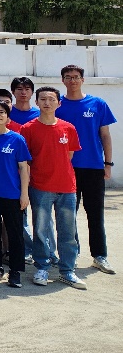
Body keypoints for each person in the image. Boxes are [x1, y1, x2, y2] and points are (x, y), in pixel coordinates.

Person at [20, 86, 86, 289]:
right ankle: (42, 267)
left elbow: (69, 156)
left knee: (68, 231)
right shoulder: (28, 129)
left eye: (51, 99)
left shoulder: (68, 128)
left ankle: (67, 270)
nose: (47, 103)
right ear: (36, 102)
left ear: (59, 103)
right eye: (43, 99)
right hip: (40, 187)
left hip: (67, 187)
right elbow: (25, 161)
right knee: (41, 230)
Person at [55, 64, 117, 276]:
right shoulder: (57, 105)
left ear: (83, 80)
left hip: (93, 167)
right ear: (62, 80)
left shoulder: (97, 104)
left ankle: (100, 256)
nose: (72, 80)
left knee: (95, 213)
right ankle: (71, 256)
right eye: (68, 77)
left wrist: (108, 164)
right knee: (67, 216)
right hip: (65, 169)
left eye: (76, 77)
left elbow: (105, 135)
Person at [0, 100, 31, 289]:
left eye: (2, 112)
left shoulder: (17, 139)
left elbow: (24, 168)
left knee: (15, 234)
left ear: (7, 116)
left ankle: (15, 271)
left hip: (12, 194)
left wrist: (24, 194)